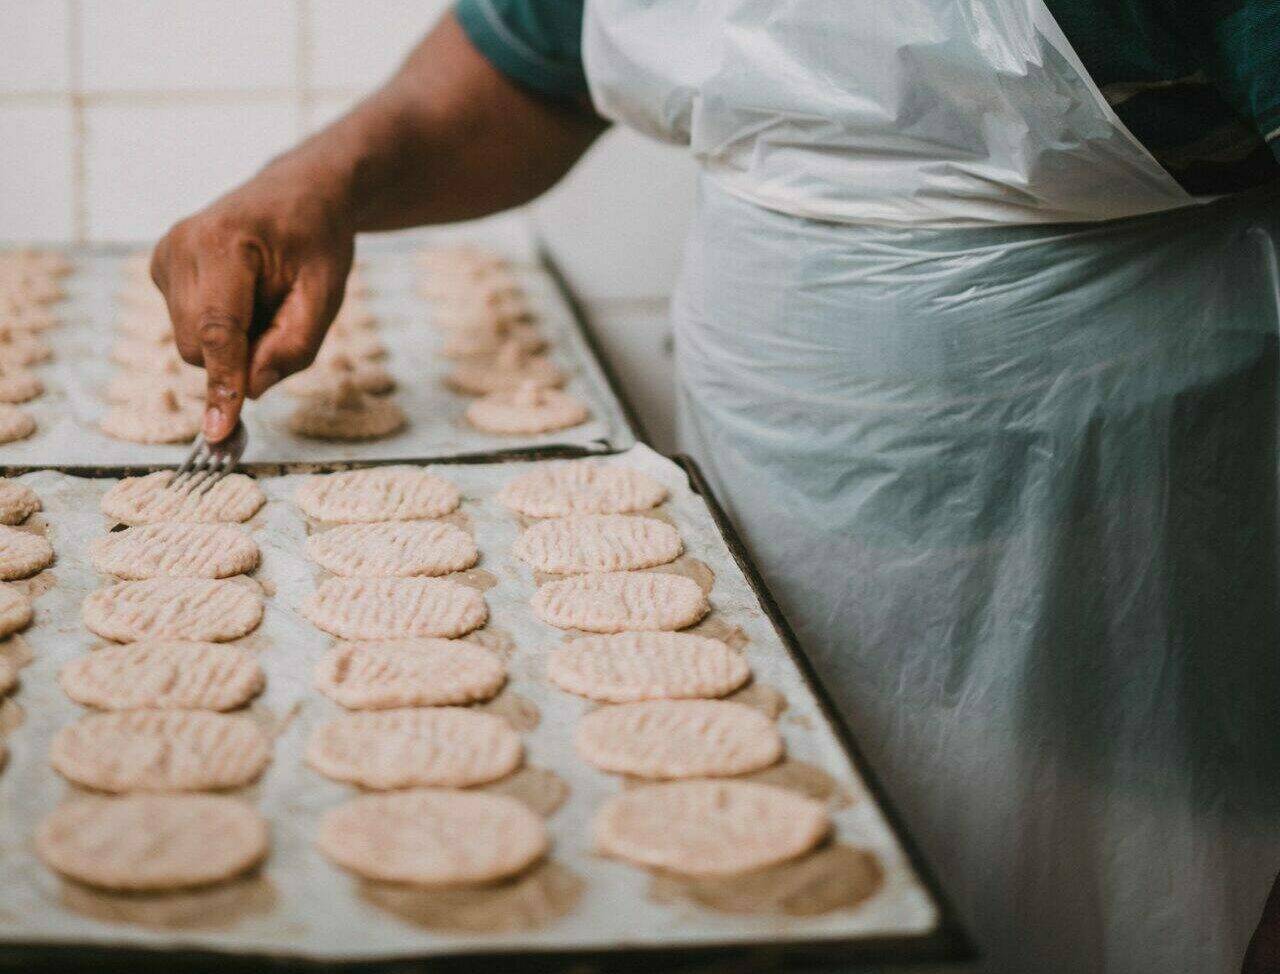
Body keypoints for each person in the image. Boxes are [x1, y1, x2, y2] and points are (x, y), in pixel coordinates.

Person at [149, 2, 1280, 971]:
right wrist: (321, 180)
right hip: (761, 441)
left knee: (1099, 882)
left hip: (1111, 500)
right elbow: (534, 53)